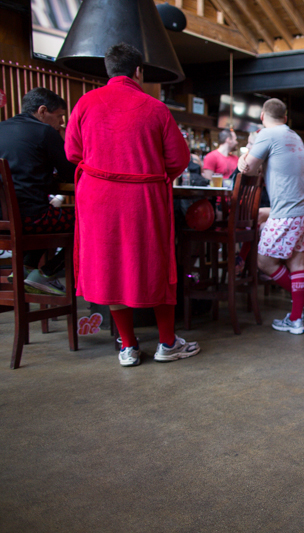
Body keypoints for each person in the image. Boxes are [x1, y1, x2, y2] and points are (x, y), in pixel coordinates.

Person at [65, 43, 200, 367]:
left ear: (109, 71)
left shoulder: (85, 102)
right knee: (155, 264)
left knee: (110, 268)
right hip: (142, 197)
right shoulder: (155, 108)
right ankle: (167, 343)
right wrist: (147, 172)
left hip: (97, 197)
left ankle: (128, 346)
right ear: (138, 72)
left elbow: (72, 152)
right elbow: (179, 159)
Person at [237, 98, 304, 335]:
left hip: (287, 212)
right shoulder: (294, 136)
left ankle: (303, 300)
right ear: (285, 118)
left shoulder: (267, 133)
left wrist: (244, 156)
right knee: (295, 262)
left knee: (264, 262)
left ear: (262, 116)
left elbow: (248, 169)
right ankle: (296, 320)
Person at [0, 87, 76, 295]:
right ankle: (47, 274)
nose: (61, 122)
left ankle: (25, 269)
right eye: (59, 115)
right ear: (42, 111)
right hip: (31, 220)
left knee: (48, 215)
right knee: (89, 221)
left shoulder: (1, 128)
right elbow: (71, 174)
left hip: (4, 221)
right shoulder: (45, 132)